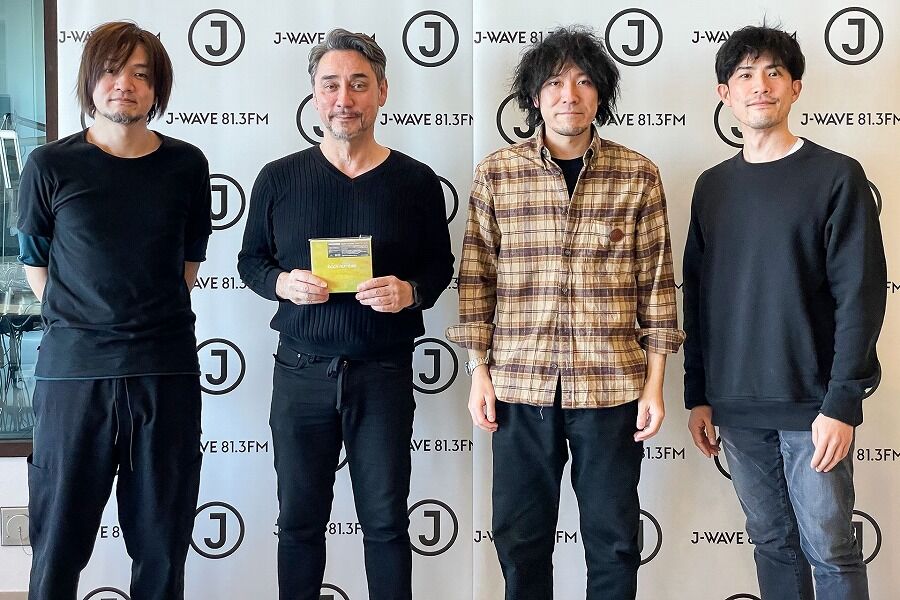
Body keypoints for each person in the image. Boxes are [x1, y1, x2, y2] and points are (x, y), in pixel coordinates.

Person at [447, 25, 683, 600]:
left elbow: (657, 286)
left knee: (614, 540)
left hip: (611, 388)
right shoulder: (498, 174)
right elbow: (477, 280)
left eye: (582, 82)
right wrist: (479, 372)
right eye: (553, 83)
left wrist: (654, 386)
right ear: (534, 97)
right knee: (520, 539)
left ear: (601, 93)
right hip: (519, 386)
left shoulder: (637, 175)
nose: (568, 95)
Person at [237, 28, 453, 600]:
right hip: (301, 372)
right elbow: (250, 261)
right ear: (314, 94)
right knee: (299, 524)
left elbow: (439, 266)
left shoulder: (416, 181)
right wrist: (282, 283)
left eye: (358, 84)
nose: (343, 98)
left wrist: (409, 292)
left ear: (382, 91)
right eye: (330, 84)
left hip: (382, 373)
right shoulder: (278, 178)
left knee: (386, 524)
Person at [683, 25, 886, 600]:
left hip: (813, 405)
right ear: (724, 93)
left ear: (796, 87)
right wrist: (698, 393)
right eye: (745, 75)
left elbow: (861, 295)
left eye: (774, 73)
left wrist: (842, 402)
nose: (760, 86)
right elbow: (697, 296)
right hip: (736, 405)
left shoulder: (837, 176)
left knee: (831, 550)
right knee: (772, 543)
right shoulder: (712, 187)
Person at [17, 21, 212, 600]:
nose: (124, 83)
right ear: (89, 80)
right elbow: (36, 267)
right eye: (110, 70)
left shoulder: (186, 165)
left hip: (164, 374)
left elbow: (188, 266)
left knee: (162, 549)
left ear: (157, 89)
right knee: (57, 547)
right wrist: (88, 321)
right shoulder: (50, 165)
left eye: (140, 74)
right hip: (74, 378)